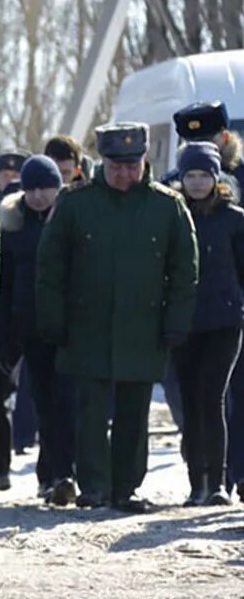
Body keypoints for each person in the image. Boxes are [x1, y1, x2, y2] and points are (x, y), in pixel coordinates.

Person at [36, 123, 197, 513]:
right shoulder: (77, 204)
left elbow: (184, 270)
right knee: (90, 411)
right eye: (116, 166)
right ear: (102, 163)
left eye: (132, 165)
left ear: (145, 161)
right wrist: (52, 320)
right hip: (87, 325)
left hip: (143, 326)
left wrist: (176, 321)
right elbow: (50, 267)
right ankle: (93, 486)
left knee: (133, 410)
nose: (124, 173)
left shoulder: (167, 206)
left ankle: (126, 487)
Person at [0, 155, 77, 504]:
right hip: (30, 327)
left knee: (68, 402)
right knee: (44, 402)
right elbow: (5, 285)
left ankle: (65, 473)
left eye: (46, 187)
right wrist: (2, 333)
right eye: (31, 188)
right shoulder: (13, 227)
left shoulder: (71, 222)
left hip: (69, 327)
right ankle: (50, 476)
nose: (39, 195)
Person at [167, 143, 244, 507]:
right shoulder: (172, 215)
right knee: (190, 401)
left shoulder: (234, 219)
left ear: (217, 178)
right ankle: (195, 480)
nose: (197, 183)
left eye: (204, 175)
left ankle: (217, 482)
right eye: (190, 175)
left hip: (224, 323)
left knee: (212, 398)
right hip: (183, 324)